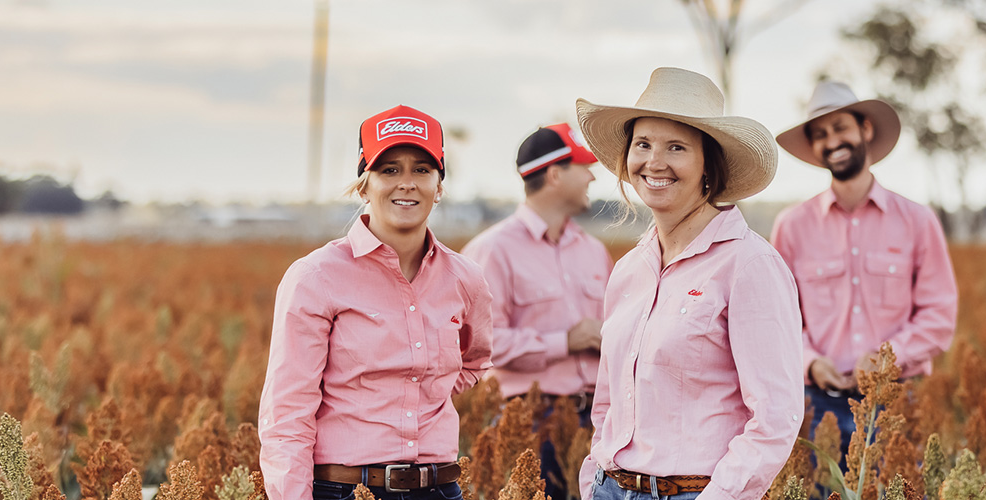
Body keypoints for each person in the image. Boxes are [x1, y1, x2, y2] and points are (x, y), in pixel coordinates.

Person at [573, 67, 804, 500]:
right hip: (610, 488)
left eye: (676, 147)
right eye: (643, 145)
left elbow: (775, 417)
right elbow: (608, 401)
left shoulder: (749, 264)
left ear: (707, 165)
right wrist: (593, 480)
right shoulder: (628, 270)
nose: (654, 162)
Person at [258, 105, 494, 500]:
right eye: (389, 170)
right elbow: (287, 414)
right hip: (346, 489)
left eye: (422, 169)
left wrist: (421, 389)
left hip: (438, 489)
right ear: (364, 185)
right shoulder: (315, 277)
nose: (406, 183)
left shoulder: (465, 278)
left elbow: (476, 360)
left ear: (439, 187)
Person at [770, 81, 958, 450]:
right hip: (817, 405)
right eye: (820, 134)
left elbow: (939, 316)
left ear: (865, 130)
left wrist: (889, 359)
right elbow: (779, 318)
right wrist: (809, 362)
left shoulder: (918, 221)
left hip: (898, 401)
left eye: (840, 128)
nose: (832, 141)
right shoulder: (792, 226)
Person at [461, 123, 612, 499]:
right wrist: (567, 341)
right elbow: (483, 344)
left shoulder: (593, 250)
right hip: (528, 425)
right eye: (583, 166)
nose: (592, 175)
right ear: (555, 174)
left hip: (596, 422)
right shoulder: (492, 250)